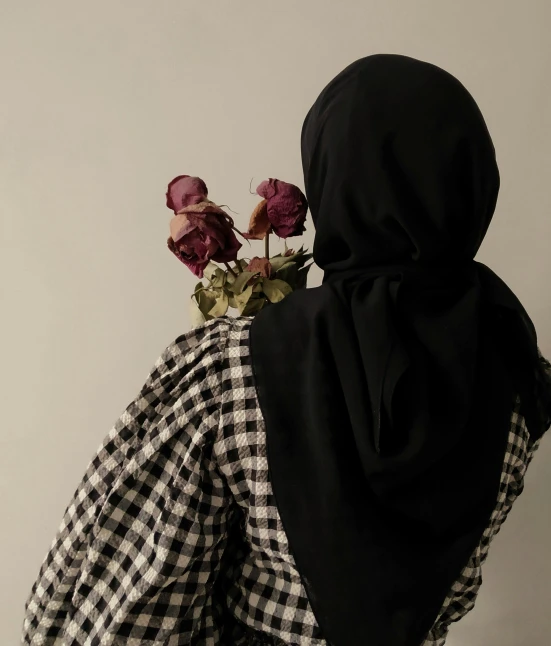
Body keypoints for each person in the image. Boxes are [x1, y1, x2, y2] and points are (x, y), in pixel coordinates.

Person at [23, 55, 551, 646]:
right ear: (474, 181)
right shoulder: (520, 379)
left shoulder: (233, 367)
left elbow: (122, 614)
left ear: (331, 176)